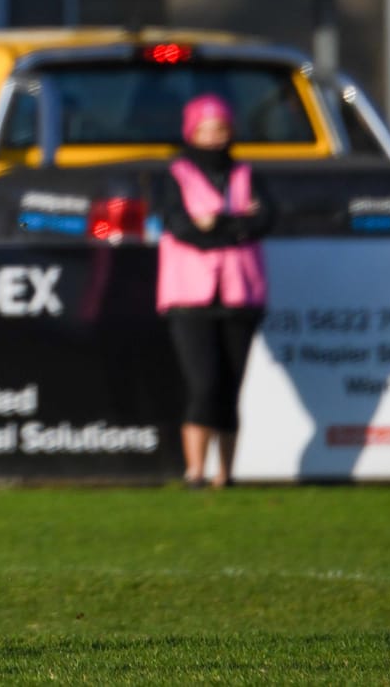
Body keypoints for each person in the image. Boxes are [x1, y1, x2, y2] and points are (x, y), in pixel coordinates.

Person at [152, 92, 274, 488]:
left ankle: (226, 473)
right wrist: (235, 224)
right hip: (190, 296)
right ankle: (194, 471)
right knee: (203, 383)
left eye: (220, 129)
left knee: (231, 385)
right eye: (205, 130)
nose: (214, 138)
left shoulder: (246, 172)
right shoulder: (176, 174)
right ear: (191, 132)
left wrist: (217, 224)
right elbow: (180, 226)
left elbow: (267, 218)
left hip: (240, 293)